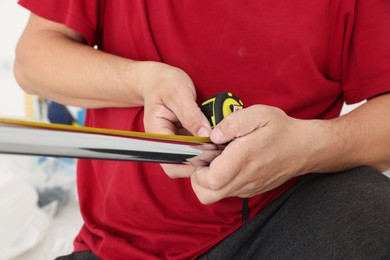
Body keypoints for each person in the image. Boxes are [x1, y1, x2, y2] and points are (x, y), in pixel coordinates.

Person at [14, 1, 390, 259]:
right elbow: (33, 60)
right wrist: (141, 80)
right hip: (124, 244)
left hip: (289, 210)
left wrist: (307, 146)